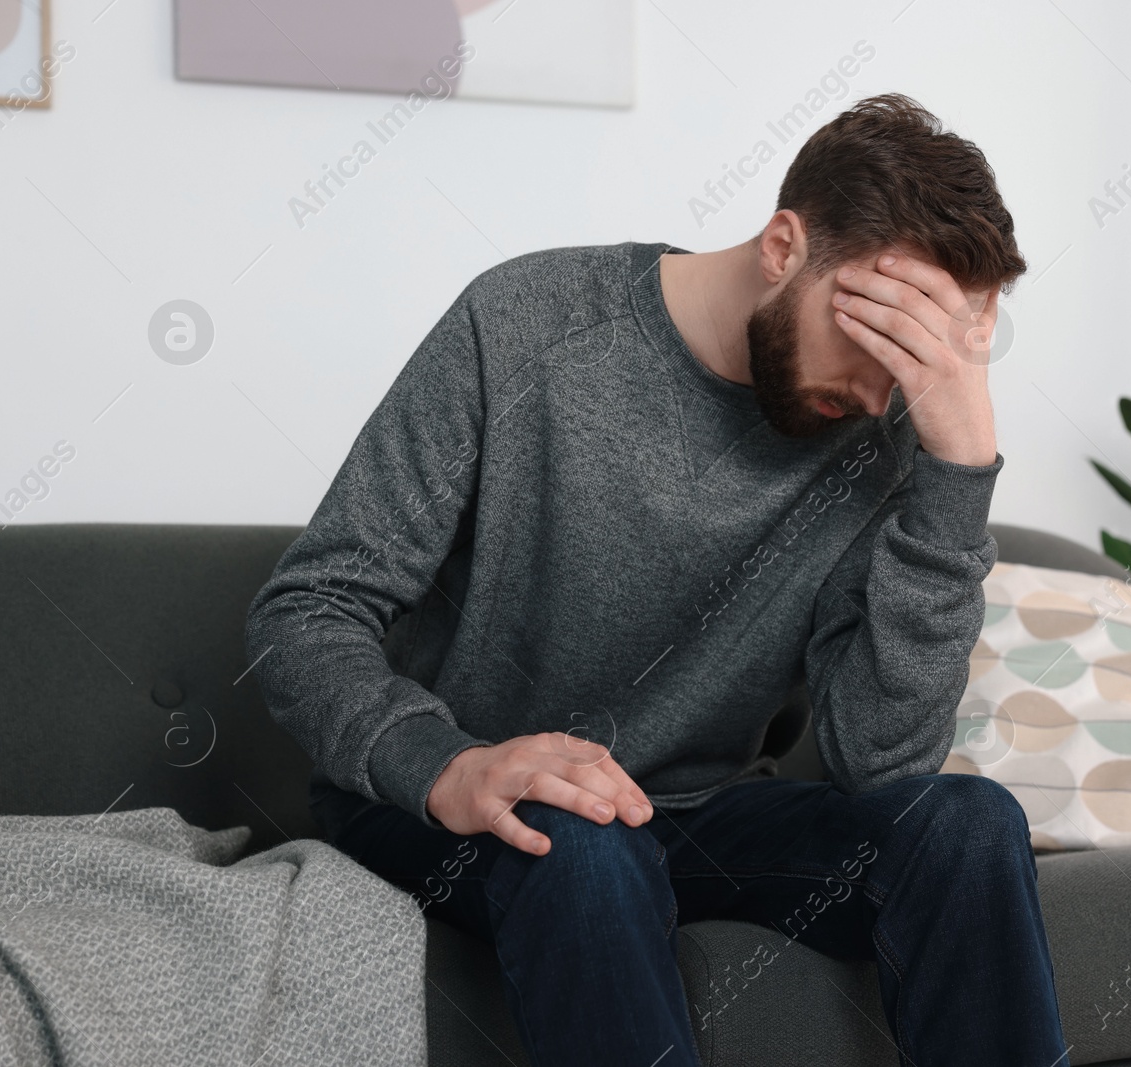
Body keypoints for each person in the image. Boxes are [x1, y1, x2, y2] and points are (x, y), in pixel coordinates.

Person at [245, 92, 1068, 1066]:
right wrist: (446, 764)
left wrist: (958, 466)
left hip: (688, 816)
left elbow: (881, 762)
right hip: (456, 806)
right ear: (782, 247)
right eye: (875, 333)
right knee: (577, 829)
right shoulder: (522, 326)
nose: (884, 392)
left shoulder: (892, 438)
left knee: (967, 822)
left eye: (923, 355)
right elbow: (305, 611)